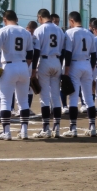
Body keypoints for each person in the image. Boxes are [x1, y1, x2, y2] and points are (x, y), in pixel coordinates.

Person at [0, 10, 33, 140]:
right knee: (23, 101)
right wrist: (24, 67)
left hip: (9, 66)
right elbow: (30, 54)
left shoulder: (2, 31)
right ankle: (24, 131)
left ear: (5, 19)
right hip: (23, 66)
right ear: (17, 19)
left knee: (5, 100)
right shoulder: (26, 32)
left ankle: (6, 132)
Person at [32, 8, 66, 138]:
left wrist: (33, 69)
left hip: (45, 61)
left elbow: (36, 52)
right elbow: (63, 51)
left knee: (45, 97)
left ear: (40, 17)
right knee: (56, 96)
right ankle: (56, 128)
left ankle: (46, 128)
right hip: (57, 61)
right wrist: (59, 65)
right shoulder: (59, 30)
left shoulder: (39, 30)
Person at [61, 11, 96, 137]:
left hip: (74, 64)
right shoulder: (89, 33)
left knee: (73, 97)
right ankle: (92, 127)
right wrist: (90, 69)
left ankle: (73, 128)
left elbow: (68, 53)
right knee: (89, 97)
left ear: (71, 20)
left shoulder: (70, 32)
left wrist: (66, 71)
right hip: (86, 64)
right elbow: (94, 55)